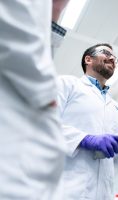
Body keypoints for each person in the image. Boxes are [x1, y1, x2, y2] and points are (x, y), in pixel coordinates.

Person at [57, 43, 118, 200]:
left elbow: (116, 161)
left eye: (115, 58)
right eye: (106, 53)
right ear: (88, 59)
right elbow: (40, 122)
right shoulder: (67, 84)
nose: (112, 58)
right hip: (66, 189)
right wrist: (85, 139)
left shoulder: (116, 108)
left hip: (104, 194)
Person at [0, 0, 68, 199]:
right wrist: (46, 92)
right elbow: (11, 20)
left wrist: (54, 15)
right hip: (15, 145)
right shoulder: (70, 84)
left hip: (35, 166)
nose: (112, 59)